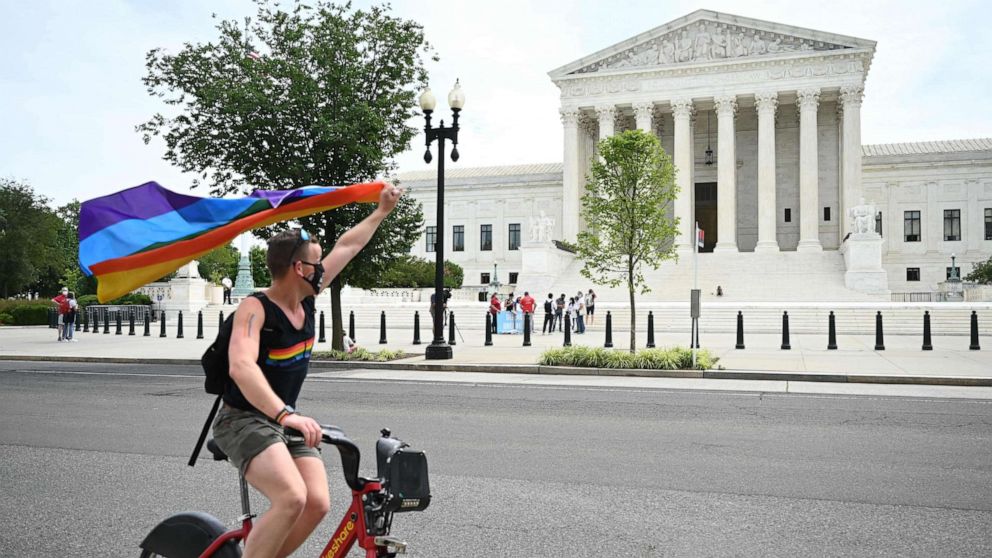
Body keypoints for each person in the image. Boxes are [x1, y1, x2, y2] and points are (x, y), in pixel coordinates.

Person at [212, 183, 401, 558]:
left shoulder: (307, 296)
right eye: (317, 262)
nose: (323, 268)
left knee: (316, 502)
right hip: (243, 420)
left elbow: (348, 246)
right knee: (292, 497)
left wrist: (380, 212)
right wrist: (286, 414)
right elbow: (241, 366)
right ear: (299, 268)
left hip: (284, 421)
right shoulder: (256, 309)